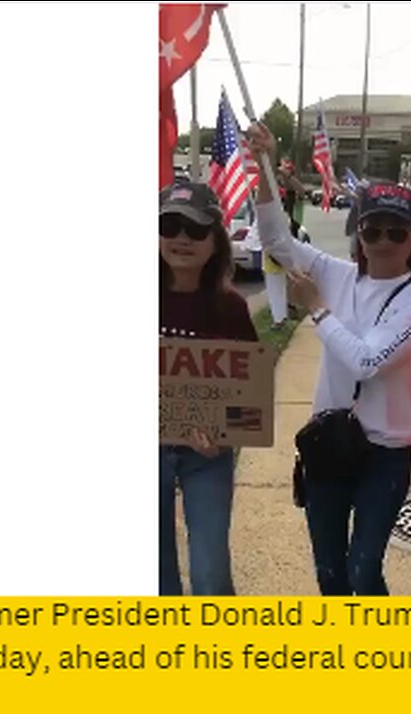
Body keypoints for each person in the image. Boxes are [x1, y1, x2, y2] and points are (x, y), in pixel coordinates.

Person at [248, 123, 411, 596]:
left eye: (396, 232)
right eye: (371, 228)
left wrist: (317, 308)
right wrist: (265, 168)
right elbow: (276, 241)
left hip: (386, 454)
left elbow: (367, 362)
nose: (382, 240)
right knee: (330, 573)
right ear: (357, 229)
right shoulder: (337, 273)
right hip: (328, 442)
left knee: (363, 570)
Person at [159, 182, 258, 596]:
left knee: (210, 573)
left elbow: (251, 397)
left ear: (215, 243)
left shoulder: (231, 308)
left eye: (196, 230)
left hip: (206, 458)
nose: (182, 237)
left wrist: (225, 436)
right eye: (170, 224)